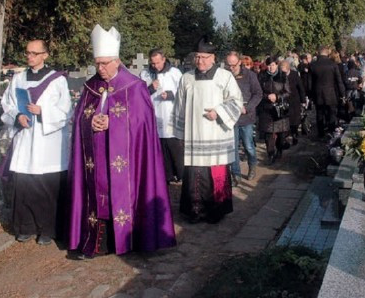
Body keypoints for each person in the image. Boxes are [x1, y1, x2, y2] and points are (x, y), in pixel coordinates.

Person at [67, 25, 176, 258]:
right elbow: (79, 119)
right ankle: (99, 242)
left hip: (126, 162)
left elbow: (142, 123)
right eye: (97, 63)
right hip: (96, 160)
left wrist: (112, 123)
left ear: (117, 61)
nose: (100, 68)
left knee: (123, 193)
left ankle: (129, 240)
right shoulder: (90, 87)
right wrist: (91, 123)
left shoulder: (135, 87)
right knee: (98, 194)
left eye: (105, 63)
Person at [0, 39, 71, 245]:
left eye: (34, 53)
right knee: (25, 185)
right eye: (27, 52)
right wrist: (17, 117)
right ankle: (26, 226)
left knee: (47, 187)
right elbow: (7, 103)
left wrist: (43, 112)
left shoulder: (57, 80)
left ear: (45, 55)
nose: (29, 56)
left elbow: (66, 110)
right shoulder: (19, 78)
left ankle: (48, 229)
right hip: (25, 138)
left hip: (48, 142)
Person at [173, 36, 243, 224]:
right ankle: (195, 212)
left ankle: (216, 213)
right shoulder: (186, 78)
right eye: (198, 57)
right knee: (195, 174)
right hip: (194, 136)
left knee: (216, 173)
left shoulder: (225, 77)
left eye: (204, 57)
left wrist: (219, 112)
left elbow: (236, 101)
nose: (200, 61)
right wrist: (179, 134)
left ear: (213, 58)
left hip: (216, 134)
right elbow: (179, 106)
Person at [140, 48, 184, 184]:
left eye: (158, 63)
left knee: (174, 148)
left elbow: (184, 92)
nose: (155, 66)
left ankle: (181, 175)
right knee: (160, 149)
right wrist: (150, 88)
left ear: (164, 59)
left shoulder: (175, 73)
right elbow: (139, 94)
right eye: (153, 63)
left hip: (170, 114)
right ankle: (166, 176)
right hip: (154, 115)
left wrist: (171, 95)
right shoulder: (145, 74)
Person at [225, 51, 263, 184]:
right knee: (233, 148)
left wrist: (248, 108)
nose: (231, 68)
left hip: (246, 117)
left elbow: (258, 94)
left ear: (239, 62)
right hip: (230, 118)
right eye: (228, 65)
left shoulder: (250, 76)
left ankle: (252, 164)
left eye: (233, 65)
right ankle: (236, 174)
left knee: (248, 146)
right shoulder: (225, 76)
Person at [258, 56, 291, 164]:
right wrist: (267, 96)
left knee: (281, 134)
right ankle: (270, 153)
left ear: (277, 65)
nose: (270, 67)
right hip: (266, 109)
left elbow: (287, 92)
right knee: (268, 134)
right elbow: (258, 91)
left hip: (279, 109)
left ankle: (279, 150)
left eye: (272, 65)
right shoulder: (262, 75)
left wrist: (277, 96)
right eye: (268, 65)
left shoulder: (282, 75)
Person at [310, 46, 345, 139]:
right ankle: (331, 131)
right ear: (327, 53)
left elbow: (310, 82)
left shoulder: (313, 65)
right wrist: (343, 94)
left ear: (318, 53)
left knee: (319, 113)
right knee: (332, 113)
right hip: (330, 92)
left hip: (318, 92)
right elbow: (339, 81)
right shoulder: (333, 64)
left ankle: (321, 133)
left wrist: (310, 95)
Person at [280, 60, 306, 146]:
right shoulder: (280, 76)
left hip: (295, 100)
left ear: (288, 69)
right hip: (285, 100)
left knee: (295, 120)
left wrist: (303, 100)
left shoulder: (294, 74)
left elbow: (300, 87)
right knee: (286, 119)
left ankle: (294, 134)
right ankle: (286, 136)